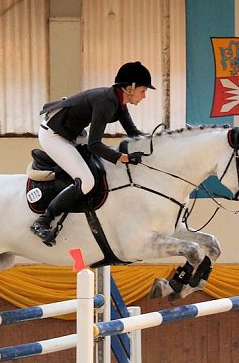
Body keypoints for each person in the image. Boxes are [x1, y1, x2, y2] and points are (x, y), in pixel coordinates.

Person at [30, 60, 155, 242]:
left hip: (72, 133)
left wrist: (158, 142)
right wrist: (124, 157)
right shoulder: (106, 101)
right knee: (87, 181)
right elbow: (94, 145)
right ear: (131, 87)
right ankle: (43, 221)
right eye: (143, 91)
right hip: (54, 136)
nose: (144, 96)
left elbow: (134, 134)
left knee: (102, 166)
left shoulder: (119, 103)